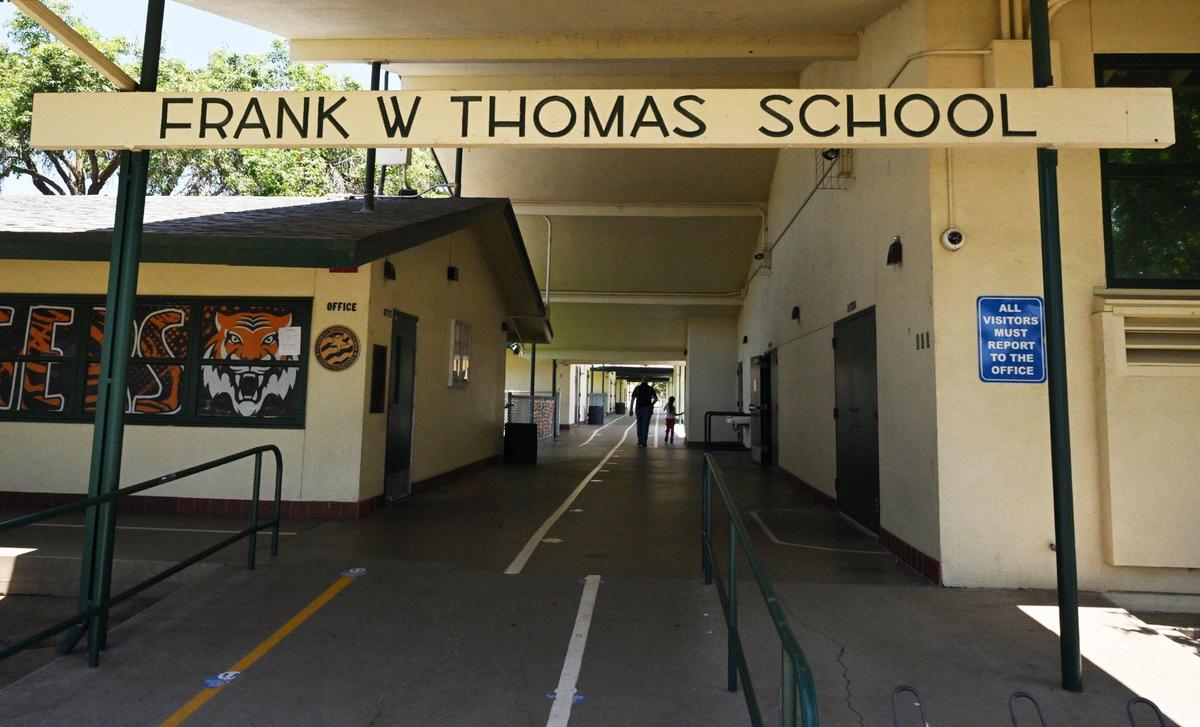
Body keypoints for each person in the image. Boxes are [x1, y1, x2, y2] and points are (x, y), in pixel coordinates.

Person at [629, 379, 658, 446]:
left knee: (639, 425)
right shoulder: (650, 388)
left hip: (639, 409)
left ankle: (639, 441)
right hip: (648, 409)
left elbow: (633, 399)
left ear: (641, 381)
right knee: (645, 425)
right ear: (647, 382)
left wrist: (631, 409)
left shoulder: (637, 388)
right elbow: (656, 399)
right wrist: (651, 404)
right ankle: (644, 441)